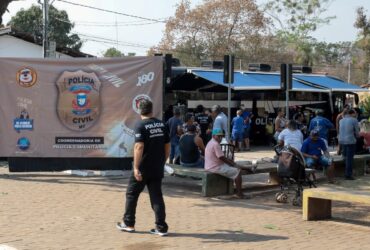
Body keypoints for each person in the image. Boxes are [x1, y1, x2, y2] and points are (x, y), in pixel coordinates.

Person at [117, 99, 170, 236]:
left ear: (139, 110)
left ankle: (128, 223)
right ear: (152, 109)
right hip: (157, 167)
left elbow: (138, 146)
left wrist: (135, 167)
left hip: (143, 168)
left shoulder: (140, 125)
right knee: (157, 196)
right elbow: (167, 146)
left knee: (131, 194)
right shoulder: (162, 124)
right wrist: (162, 162)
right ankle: (161, 227)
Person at [205, 128, 253, 198]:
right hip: (215, 167)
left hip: (211, 165)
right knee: (237, 172)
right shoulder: (215, 144)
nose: (220, 138)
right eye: (218, 136)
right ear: (213, 136)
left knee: (233, 165)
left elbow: (222, 157)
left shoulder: (210, 142)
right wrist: (232, 164)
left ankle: (248, 168)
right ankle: (240, 194)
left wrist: (231, 163)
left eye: (221, 136)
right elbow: (222, 157)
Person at [338, 109, 360, 180]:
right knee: (349, 158)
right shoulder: (354, 120)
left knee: (345, 156)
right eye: (355, 113)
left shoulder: (341, 120)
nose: (356, 114)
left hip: (341, 140)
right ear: (352, 113)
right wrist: (358, 137)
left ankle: (344, 171)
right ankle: (348, 174)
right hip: (350, 141)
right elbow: (357, 133)